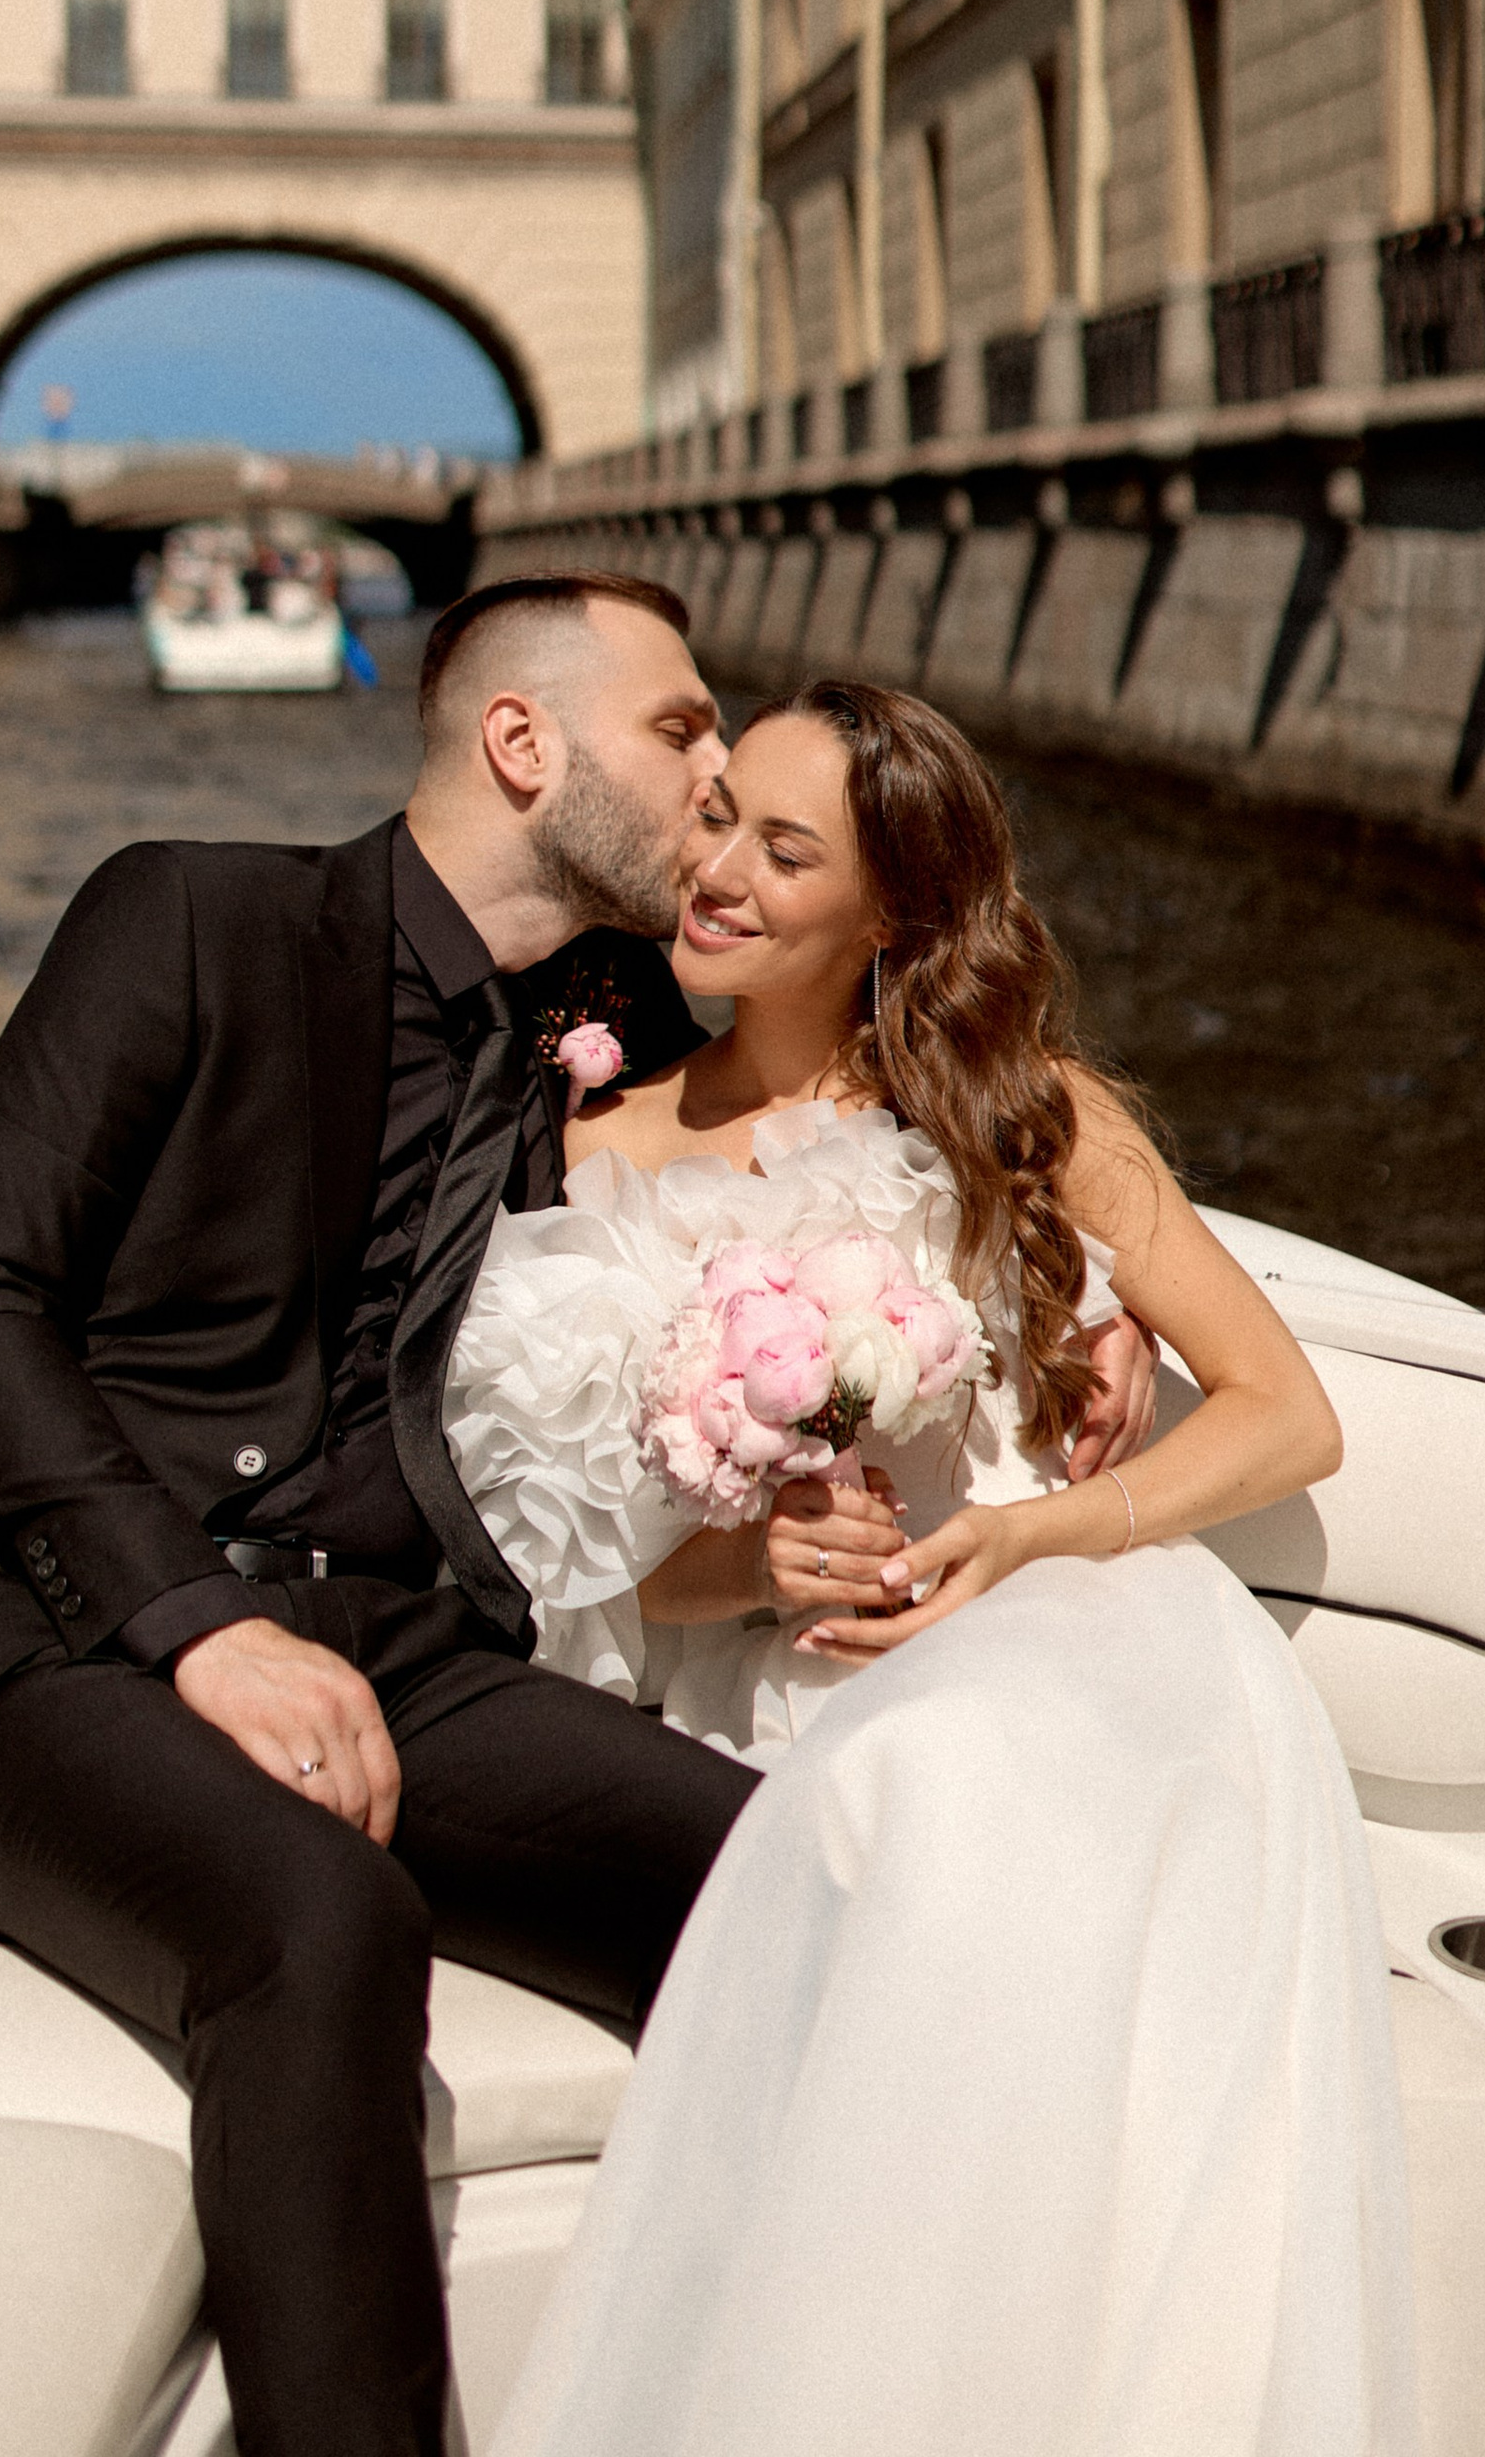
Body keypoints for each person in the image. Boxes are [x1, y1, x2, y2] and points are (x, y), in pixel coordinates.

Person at [0, 569, 1170, 2457]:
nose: (718, 779)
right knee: (322, 1920)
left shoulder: (608, 1008)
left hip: (400, 1630)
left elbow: (877, 1065)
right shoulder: (190, 915)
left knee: (812, 1890)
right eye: (684, 729)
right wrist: (200, 1632)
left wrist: (1087, 1311)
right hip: (53, 1643)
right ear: (522, 748)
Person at [446, 679, 1417, 2457]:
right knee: (896, 1796)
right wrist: (745, 1562)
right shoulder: (589, 1147)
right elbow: (579, 1564)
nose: (716, 868)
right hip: (762, 1687)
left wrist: (1044, 1521)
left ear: (887, 915)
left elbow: (1286, 1415)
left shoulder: (1024, 1116)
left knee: (954, 1784)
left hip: (1066, 1628)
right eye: (720, 810)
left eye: (782, 848)